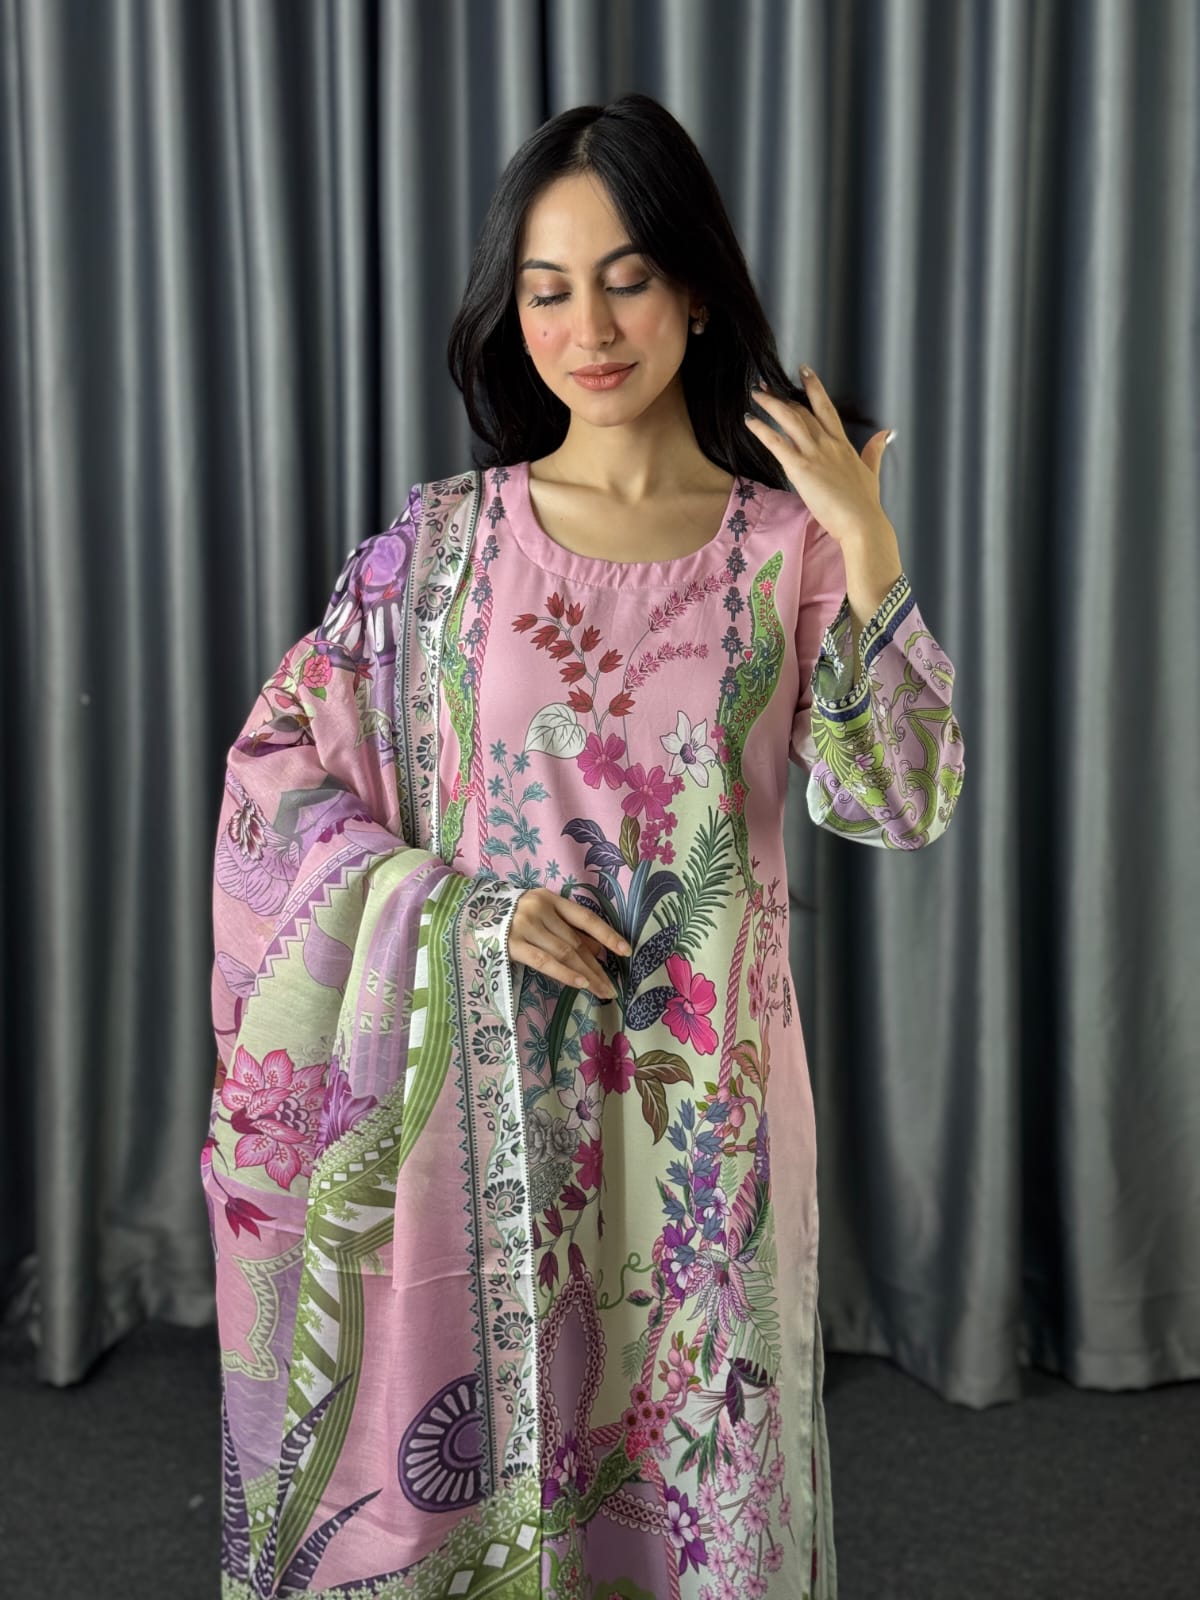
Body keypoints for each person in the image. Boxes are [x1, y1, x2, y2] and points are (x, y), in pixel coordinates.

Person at [202, 91, 964, 1600]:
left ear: (696, 289)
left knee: (696, 1503)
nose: (587, 328)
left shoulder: (789, 547)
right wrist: (458, 910)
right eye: (546, 289)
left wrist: (870, 544)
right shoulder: (438, 549)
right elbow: (273, 777)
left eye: (626, 278)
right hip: (474, 1108)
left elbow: (899, 800)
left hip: (702, 1136)